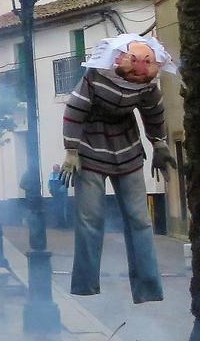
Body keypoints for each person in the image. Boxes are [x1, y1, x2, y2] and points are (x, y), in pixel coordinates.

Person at [61, 34, 177, 304]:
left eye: (146, 64)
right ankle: (85, 285)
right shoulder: (95, 76)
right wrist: (71, 150)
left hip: (127, 146)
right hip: (89, 146)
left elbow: (154, 112)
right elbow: (74, 110)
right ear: (120, 59)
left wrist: (159, 145)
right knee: (90, 218)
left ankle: (148, 288)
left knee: (140, 219)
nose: (139, 71)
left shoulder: (148, 85)